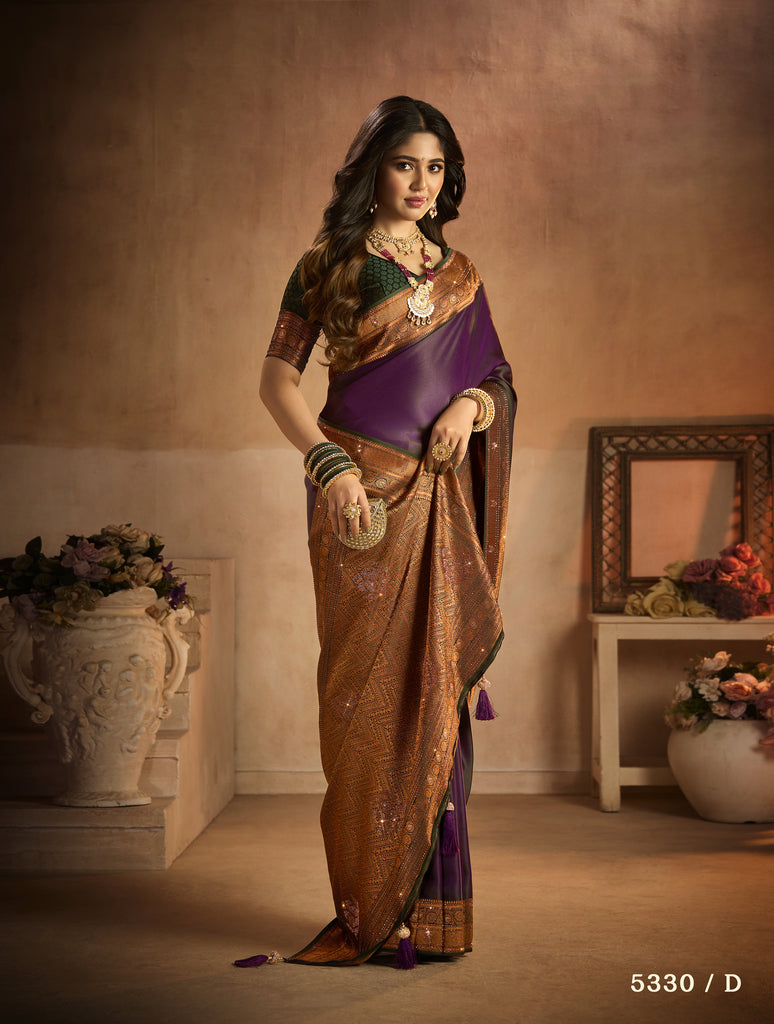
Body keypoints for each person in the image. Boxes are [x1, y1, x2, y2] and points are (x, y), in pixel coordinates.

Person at [239, 95, 516, 969]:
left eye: (436, 168)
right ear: (373, 169)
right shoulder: (328, 264)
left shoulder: (462, 275)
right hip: (357, 495)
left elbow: (498, 377)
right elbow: (277, 381)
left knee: (434, 688)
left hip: (439, 500)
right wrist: (329, 467)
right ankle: (368, 905)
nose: (421, 183)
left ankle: (430, 915)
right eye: (405, 164)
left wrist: (471, 408)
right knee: (359, 699)